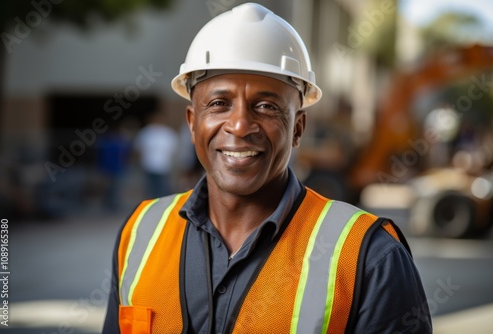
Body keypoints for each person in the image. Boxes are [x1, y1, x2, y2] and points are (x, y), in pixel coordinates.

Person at [103, 3, 432, 333]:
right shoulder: (139, 233)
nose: (241, 125)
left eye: (266, 106)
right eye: (219, 104)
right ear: (192, 123)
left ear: (298, 128)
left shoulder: (370, 255)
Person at [133, 111, 179, 199]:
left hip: (163, 165)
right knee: (150, 187)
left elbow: (173, 150)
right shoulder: (146, 132)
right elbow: (139, 148)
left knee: (162, 187)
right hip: (148, 165)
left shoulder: (168, 133)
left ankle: (161, 204)